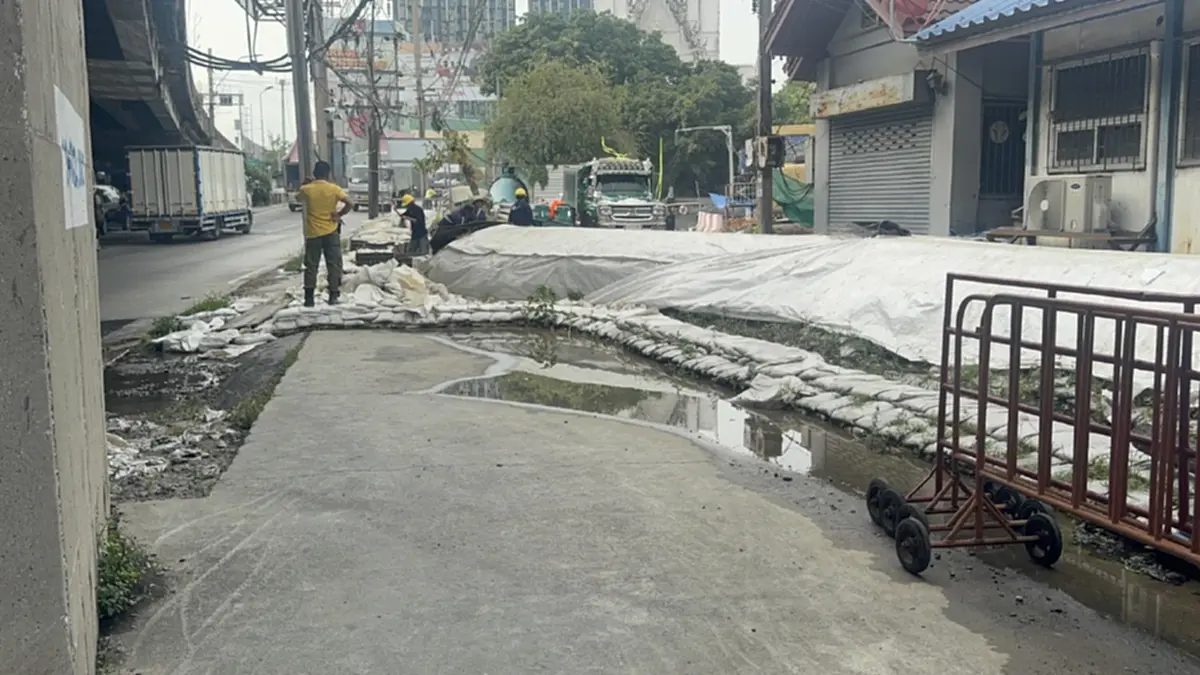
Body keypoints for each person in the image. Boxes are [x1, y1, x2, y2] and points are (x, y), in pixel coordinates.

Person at [297, 161, 354, 307]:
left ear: (315, 173)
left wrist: (305, 183)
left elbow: (298, 198)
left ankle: (309, 299)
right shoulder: (334, 189)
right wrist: (339, 214)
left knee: (311, 266)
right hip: (331, 232)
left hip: (313, 234)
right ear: (328, 174)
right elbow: (349, 203)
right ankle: (333, 295)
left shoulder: (307, 189)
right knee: (333, 264)